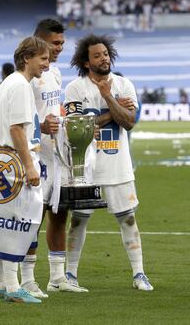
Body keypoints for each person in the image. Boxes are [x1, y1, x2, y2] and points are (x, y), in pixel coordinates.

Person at [64, 34, 153, 291]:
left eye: (105, 53)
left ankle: (139, 274)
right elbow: (75, 129)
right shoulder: (75, 89)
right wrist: (110, 113)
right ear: (86, 62)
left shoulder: (124, 84)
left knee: (127, 219)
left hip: (118, 166)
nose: (104, 58)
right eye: (97, 55)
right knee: (78, 220)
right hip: (84, 167)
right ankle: (70, 274)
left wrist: (108, 97)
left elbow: (129, 121)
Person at [21, 18, 87, 296]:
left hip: (55, 155)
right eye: (55, 43)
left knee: (59, 214)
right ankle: (26, 279)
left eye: (62, 43)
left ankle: (57, 277)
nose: (60, 48)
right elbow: (20, 116)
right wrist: (40, 127)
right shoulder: (25, 77)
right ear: (40, 40)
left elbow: (51, 108)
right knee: (32, 218)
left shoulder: (56, 73)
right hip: (34, 155)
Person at [0, 36, 49, 304]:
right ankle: (13, 287)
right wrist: (28, 165)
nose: (46, 65)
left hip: (3, 158)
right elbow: (16, 128)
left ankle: (1, 283)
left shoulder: (5, 84)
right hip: (16, 159)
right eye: (43, 59)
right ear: (27, 58)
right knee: (20, 221)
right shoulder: (22, 86)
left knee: (2, 222)